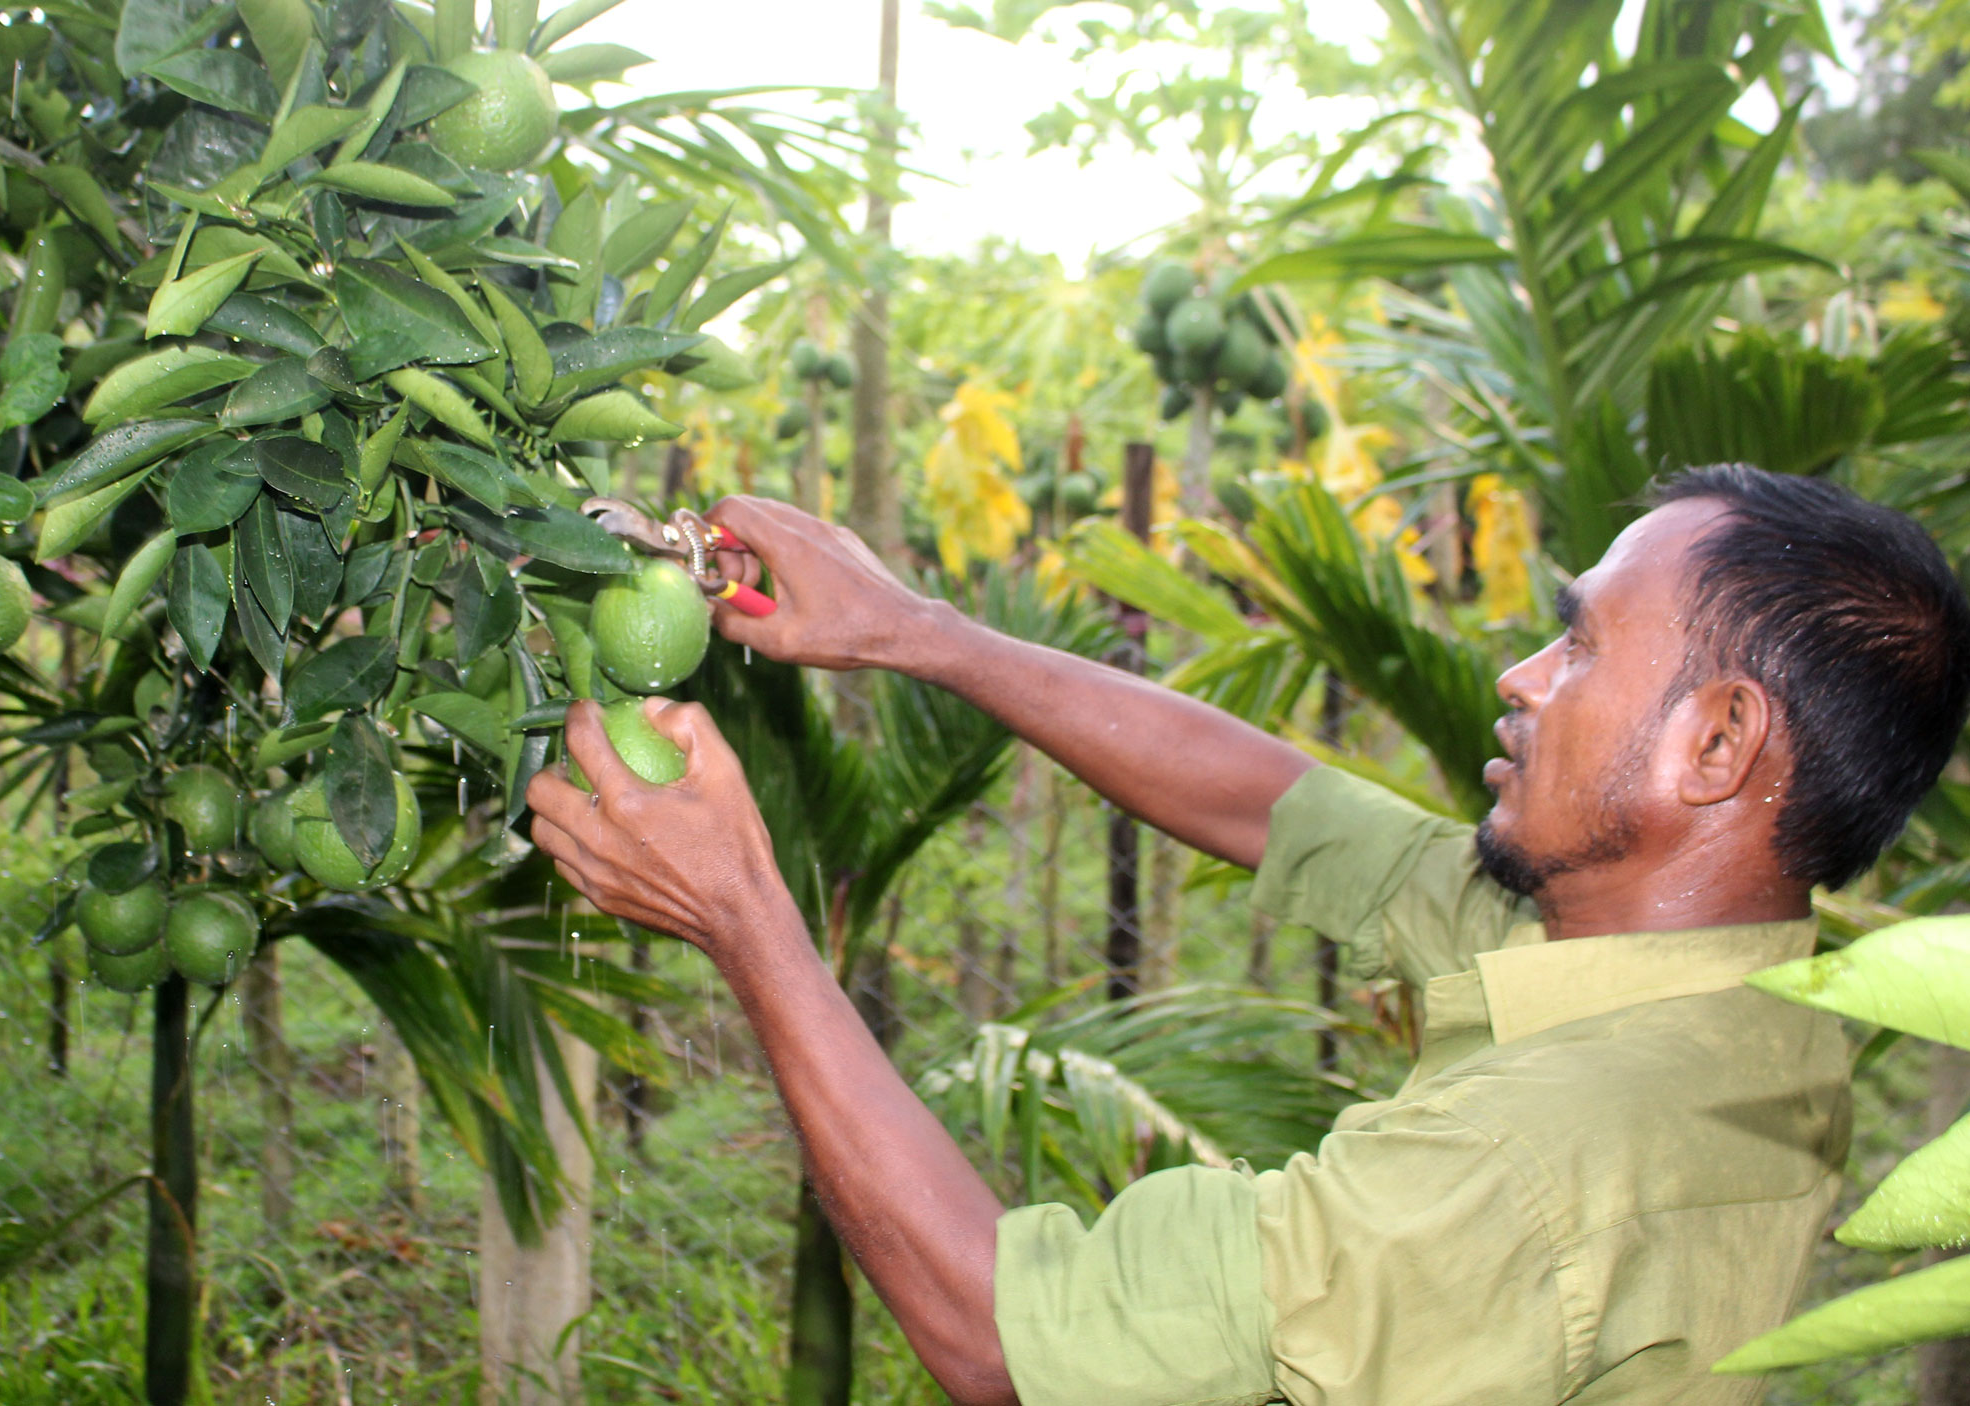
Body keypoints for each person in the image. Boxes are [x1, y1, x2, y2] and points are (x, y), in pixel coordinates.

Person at [524, 464, 1970, 1406]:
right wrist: (916, 629)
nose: (1522, 674)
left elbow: (1004, 1332)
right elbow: (1281, 803)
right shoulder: (1719, 973)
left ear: (1718, 743)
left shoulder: (1536, 1158)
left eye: (1583, 642)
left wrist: (744, 916)